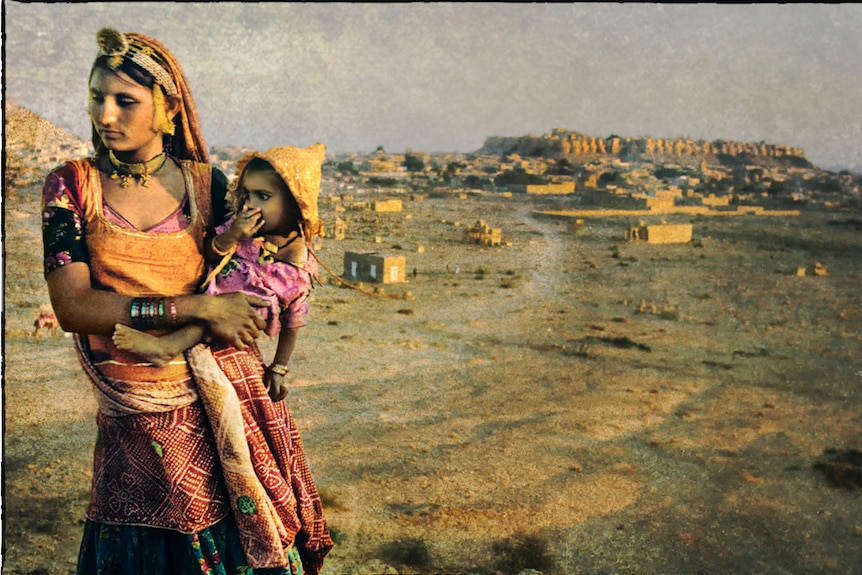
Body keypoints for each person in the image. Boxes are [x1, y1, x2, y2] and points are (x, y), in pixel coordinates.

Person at [41, 28, 332, 574]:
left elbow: (256, 274)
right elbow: (74, 308)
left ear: (168, 108)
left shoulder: (210, 185)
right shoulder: (71, 187)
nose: (106, 116)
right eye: (96, 98)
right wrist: (193, 309)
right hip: (134, 404)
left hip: (221, 393)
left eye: (126, 101)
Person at [112, 144, 326, 404]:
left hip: (240, 322)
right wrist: (234, 234)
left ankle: (165, 348)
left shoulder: (299, 267)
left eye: (263, 196)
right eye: (247, 194)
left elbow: (293, 321)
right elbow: (211, 251)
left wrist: (279, 367)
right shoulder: (245, 232)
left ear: (295, 205)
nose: (250, 205)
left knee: (209, 322)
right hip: (209, 298)